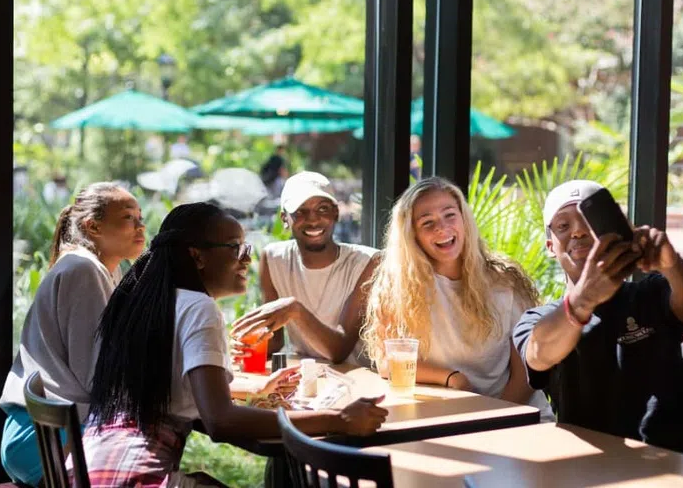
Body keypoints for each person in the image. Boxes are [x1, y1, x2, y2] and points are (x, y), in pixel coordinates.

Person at [84, 203, 388, 487]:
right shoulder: (198, 308)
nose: (247, 258)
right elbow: (221, 421)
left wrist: (254, 389)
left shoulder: (146, 301)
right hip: (134, 474)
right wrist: (339, 419)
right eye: (235, 248)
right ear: (198, 257)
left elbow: (170, 383)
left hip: (92, 467)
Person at [512, 180, 683, 457]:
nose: (577, 232)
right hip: (596, 464)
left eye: (588, 221)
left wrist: (672, 265)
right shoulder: (538, 320)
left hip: (682, 457)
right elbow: (539, 354)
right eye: (563, 226)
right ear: (551, 246)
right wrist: (583, 300)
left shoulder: (651, 293)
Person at [360, 177, 553, 417]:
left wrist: (493, 419)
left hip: (514, 414)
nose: (441, 228)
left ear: (464, 219)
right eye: (427, 222)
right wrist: (452, 378)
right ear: (412, 235)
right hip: (449, 417)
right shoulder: (396, 287)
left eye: (449, 215)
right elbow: (388, 364)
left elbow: (526, 372)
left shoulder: (505, 281)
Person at [0, 182, 147, 486]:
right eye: (129, 218)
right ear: (93, 227)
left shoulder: (101, 268)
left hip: (44, 430)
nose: (140, 226)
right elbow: (97, 376)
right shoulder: (84, 270)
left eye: (140, 217)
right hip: (46, 439)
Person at [231, 171, 379, 365]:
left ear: (336, 213)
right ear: (285, 219)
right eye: (300, 211)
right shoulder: (274, 258)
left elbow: (339, 351)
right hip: (305, 380)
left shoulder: (368, 262)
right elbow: (275, 341)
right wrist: (247, 346)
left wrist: (295, 309)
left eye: (323, 209)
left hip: (359, 381)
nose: (313, 220)